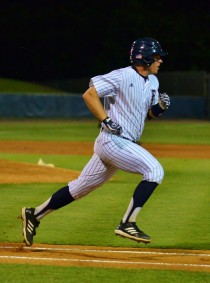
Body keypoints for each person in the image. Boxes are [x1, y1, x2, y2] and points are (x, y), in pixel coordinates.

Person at [21, 37, 170, 246]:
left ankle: (34, 214)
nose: (160, 61)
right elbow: (90, 94)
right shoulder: (121, 76)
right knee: (155, 171)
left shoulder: (153, 82)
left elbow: (148, 115)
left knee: (79, 188)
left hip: (122, 144)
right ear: (144, 58)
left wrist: (159, 109)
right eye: (156, 57)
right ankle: (128, 222)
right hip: (113, 141)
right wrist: (106, 119)